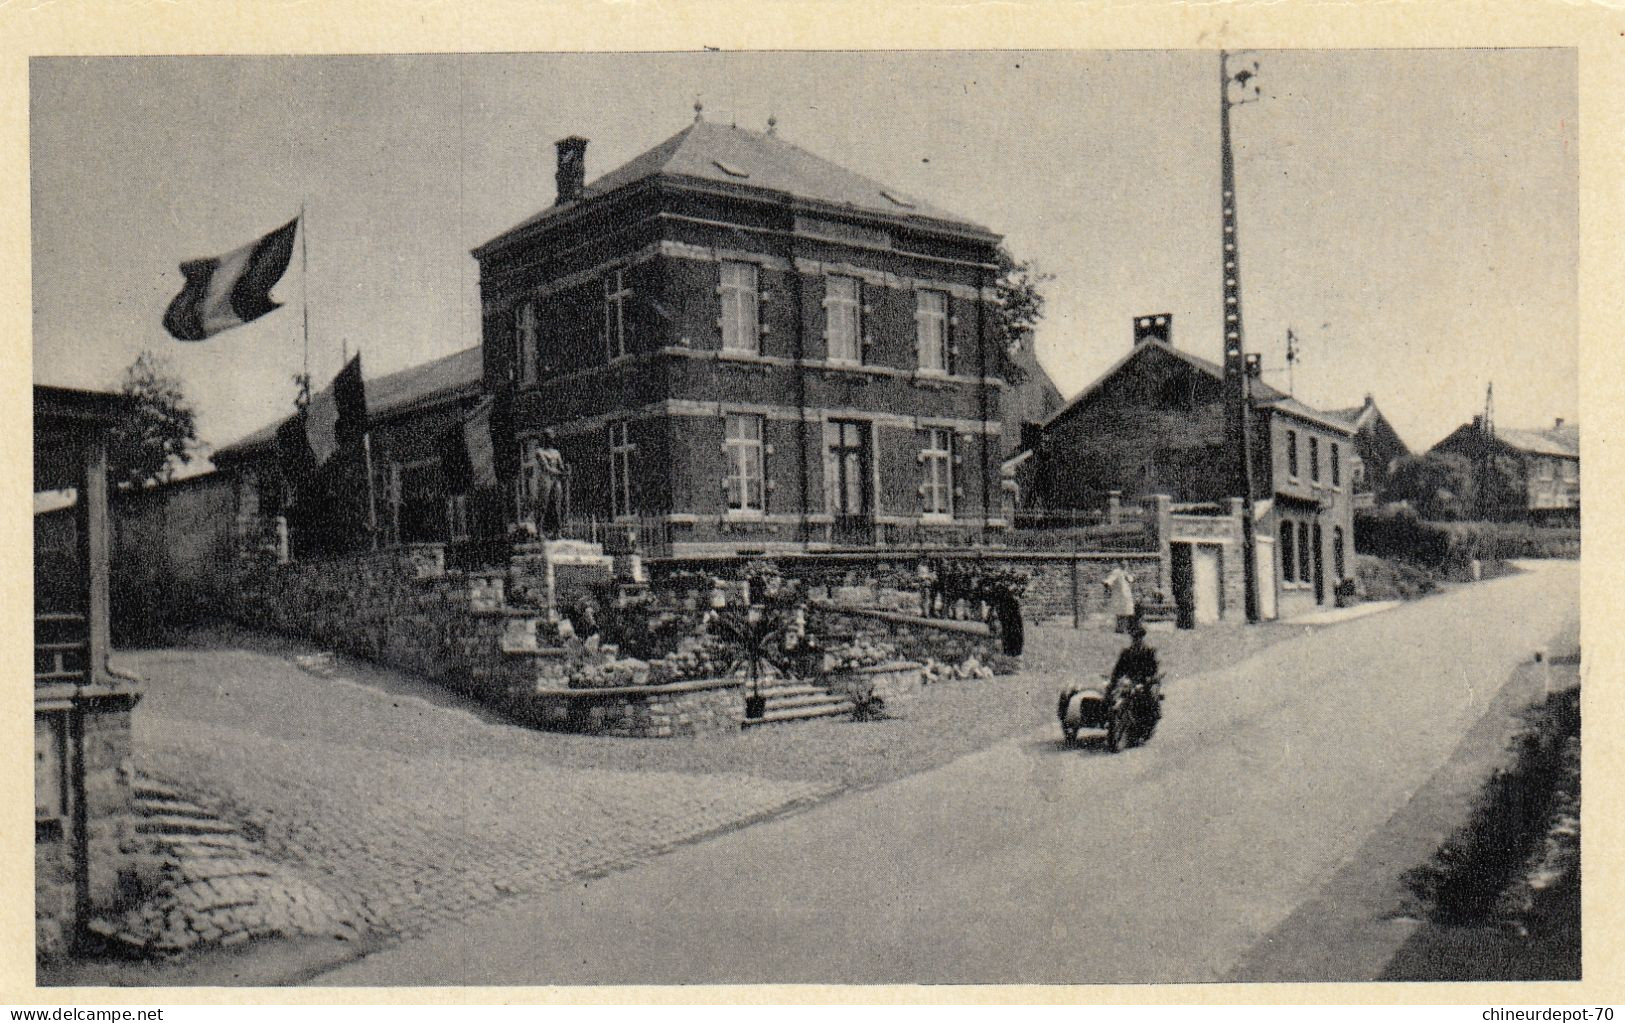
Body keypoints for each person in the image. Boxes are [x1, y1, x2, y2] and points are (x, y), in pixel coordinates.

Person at [1108, 622, 1159, 700]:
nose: (1137, 641)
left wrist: (1148, 680)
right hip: (1129, 684)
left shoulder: (1149, 653)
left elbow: (1153, 670)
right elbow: (1117, 671)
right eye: (1135, 638)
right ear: (1132, 639)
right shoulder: (1126, 653)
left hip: (1145, 685)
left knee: (1151, 700)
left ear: (1142, 638)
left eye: (1139, 638)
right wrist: (1113, 685)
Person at [532, 429, 566, 538]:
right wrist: (561, 472)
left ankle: (557, 531)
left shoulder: (556, 453)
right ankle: (540, 530)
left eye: (551, 438)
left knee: (557, 505)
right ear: (544, 439)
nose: (550, 440)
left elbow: (561, 466)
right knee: (543, 504)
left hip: (556, 480)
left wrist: (565, 470)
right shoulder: (540, 452)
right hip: (545, 480)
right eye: (548, 438)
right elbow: (546, 468)